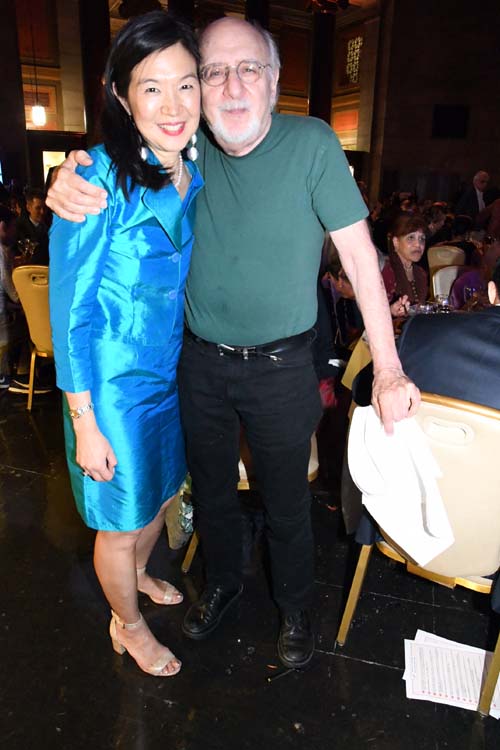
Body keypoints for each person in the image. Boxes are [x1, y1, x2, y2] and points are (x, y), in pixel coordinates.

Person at [46, 17, 419, 670]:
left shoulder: (309, 143)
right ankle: (221, 584)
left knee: (286, 503)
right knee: (210, 493)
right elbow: (125, 149)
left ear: (275, 81)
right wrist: (70, 173)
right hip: (195, 366)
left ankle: (297, 606)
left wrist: (388, 370)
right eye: (213, 71)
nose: (231, 84)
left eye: (249, 67)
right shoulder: (191, 149)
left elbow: (361, 260)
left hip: (280, 369)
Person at [49, 11, 203, 677]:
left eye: (186, 85)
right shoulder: (95, 180)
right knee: (119, 518)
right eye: (151, 87)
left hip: (167, 375)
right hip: (108, 385)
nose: (173, 106)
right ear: (120, 95)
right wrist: (85, 421)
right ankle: (128, 624)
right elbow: (69, 308)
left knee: (161, 493)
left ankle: (137, 576)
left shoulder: (192, 170)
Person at [382, 212, 428, 312]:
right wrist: (390, 311)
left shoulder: (421, 273)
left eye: (422, 239)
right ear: (396, 242)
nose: (418, 244)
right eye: (411, 238)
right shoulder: (385, 272)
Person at [15, 188, 49, 265]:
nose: (42, 212)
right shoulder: (19, 228)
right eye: (38, 208)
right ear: (28, 208)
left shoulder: (50, 226)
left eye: (45, 208)